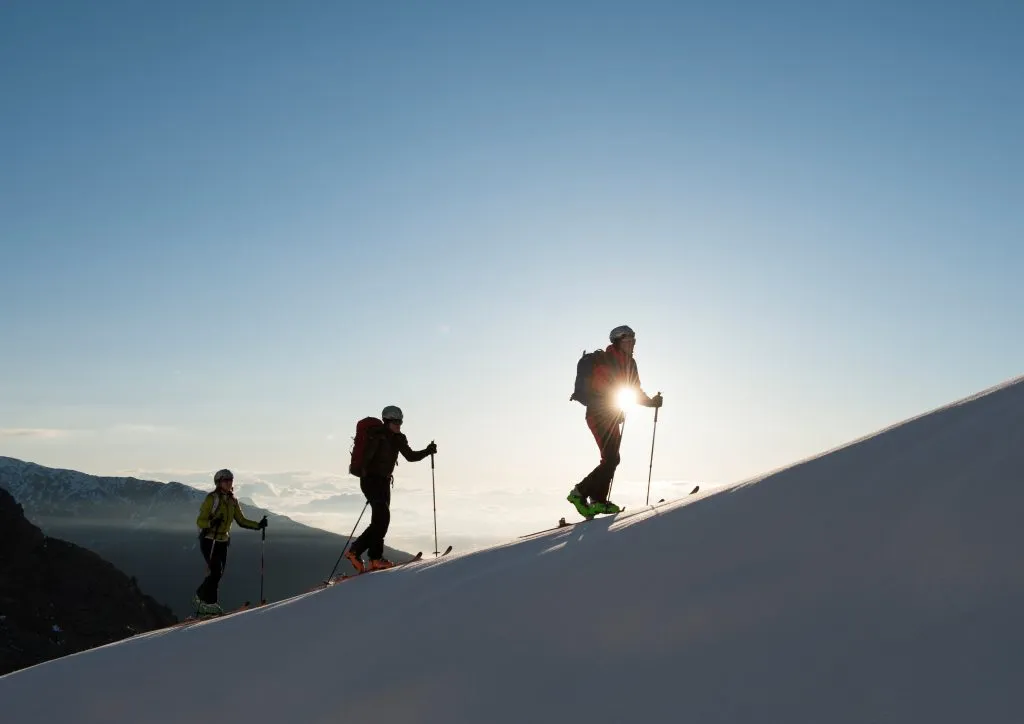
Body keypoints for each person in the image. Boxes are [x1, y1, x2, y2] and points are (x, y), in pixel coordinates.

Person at [568, 325, 663, 516]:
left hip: (611, 415)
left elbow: (634, 391)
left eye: (634, 341)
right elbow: (606, 390)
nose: (633, 344)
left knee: (611, 458)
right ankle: (579, 493)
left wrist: (651, 402)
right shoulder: (607, 360)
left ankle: (597, 500)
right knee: (611, 458)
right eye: (629, 341)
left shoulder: (630, 364)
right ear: (618, 342)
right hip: (598, 414)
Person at [344, 406, 437, 572]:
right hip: (372, 481)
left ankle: (362, 554)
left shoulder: (398, 438)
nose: (399, 424)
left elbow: (410, 456)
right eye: (396, 421)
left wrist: (427, 451)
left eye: (400, 421)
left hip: (383, 482)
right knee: (382, 518)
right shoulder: (377, 436)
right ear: (387, 421)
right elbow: (366, 460)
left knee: (381, 520)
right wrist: (367, 472)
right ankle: (370, 556)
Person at [192, 468, 267, 614]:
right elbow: (200, 521)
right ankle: (199, 599)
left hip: (223, 541)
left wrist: (258, 525)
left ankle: (210, 605)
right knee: (215, 572)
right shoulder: (211, 499)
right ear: (219, 482)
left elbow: (241, 520)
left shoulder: (233, 501)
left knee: (218, 574)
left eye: (231, 480)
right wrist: (212, 522)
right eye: (226, 480)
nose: (229, 482)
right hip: (209, 539)